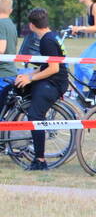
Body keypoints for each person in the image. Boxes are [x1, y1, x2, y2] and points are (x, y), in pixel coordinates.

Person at [13, 9, 69, 171]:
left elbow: (53, 68)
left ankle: (40, 160)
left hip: (54, 83)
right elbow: (45, 66)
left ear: (31, 25)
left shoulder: (47, 41)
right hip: (50, 79)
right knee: (15, 85)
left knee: (35, 115)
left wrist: (30, 78)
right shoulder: (52, 36)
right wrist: (28, 75)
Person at [0, 0, 18, 81]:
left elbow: (1, 49)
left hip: (2, 74)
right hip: (11, 72)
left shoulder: (0, 24)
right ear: (10, 11)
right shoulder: (11, 24)